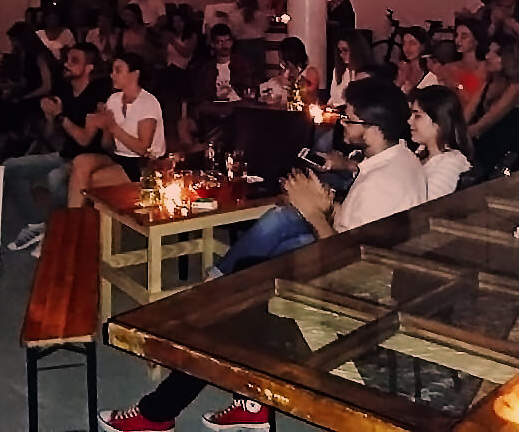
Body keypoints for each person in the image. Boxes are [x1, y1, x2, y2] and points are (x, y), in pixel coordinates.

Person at [100, 78, 427, 432]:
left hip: (354, 298)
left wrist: (315, 213)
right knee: (249, 269)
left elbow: (351, 265)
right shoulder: (395, 161)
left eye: (349, 118)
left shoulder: (383, 183)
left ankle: (157, 413)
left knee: (231, 308)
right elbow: (361, 234)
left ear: (373, 126)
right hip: (360, 277)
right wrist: (326, 206)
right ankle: (250, 401)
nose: (342, 124)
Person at [2, 44, 111, 256]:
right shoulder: (64, 90)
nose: (67, 64)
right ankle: (36, 223)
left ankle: (57, 232)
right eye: (67, 59)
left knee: (55, 178)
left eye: (74, 60)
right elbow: (50, 135)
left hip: (89, 159)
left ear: (89, 67)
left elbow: (84, 141)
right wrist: (50, 117)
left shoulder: (98, 95)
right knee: (10, 167)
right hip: (63, 155)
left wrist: (60, 116)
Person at [66, 54, 165, 208]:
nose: (112, 75)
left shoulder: (147, 102)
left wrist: (112, 127)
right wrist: (106, 128)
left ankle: (78, 218)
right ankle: (74, 217)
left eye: (118, 70)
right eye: (112, 71)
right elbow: (108, 146)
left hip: (142, 164)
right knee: (80, 162)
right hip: (118, 157)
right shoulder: (113, 99)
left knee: (90, 180)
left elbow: (142, 148)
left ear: (135, 74)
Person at [468, 37, 519, 178]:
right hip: (483, 151)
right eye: (488, 52)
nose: (487, 57)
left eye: (495, 54)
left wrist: (451, 137)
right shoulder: (487, 85)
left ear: (509, 59)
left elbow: (482, 126)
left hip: (505, 157)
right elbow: (466, 115)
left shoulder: (516, 89)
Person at [411, 85, 474, 198]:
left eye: (417, 116)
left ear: (439, 121)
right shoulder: (420, 154)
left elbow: (428, 204)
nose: (410, 121)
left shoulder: (451, 164)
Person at [190, 24, 258, 104]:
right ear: (213, 44)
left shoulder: (243, 64)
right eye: (220, 42)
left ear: (232, 42)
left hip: (238, 106)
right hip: (213, 107)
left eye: (227, 41)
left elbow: (249, 88)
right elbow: (201, 94)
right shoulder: (206, 69)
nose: (224, 45)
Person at [436, 18, 489, 114]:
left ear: (476, 40)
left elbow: (477, 103)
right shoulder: (448, 68)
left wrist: (457, 86)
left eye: (464, 36)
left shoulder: (486, 67)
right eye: (456, 35)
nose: (457, 40)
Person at [328, 31, 376, 108]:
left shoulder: (365, 75)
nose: (341, 55)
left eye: (345, 50)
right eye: (340, 51)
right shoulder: (339, 70)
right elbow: (333, 98)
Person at [228, 0, 268, 71]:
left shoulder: (235, 15)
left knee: (242, 72)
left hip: (242, 46)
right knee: (258, 72)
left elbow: (233, 32)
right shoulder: (261, 15)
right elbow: (265, 28)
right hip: (258, 46)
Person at [393, 27, 440, 94]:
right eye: (404, 43)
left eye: (412, 43)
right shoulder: (403, 68)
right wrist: (399, 82)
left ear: (423, 46)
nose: (407, 48)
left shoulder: (432, 71)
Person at [276, 36, 320, 103]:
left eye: (281, 58)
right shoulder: (285, 73)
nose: (280, 62)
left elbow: (308, 97)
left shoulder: (310, 72)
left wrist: (288, 85)